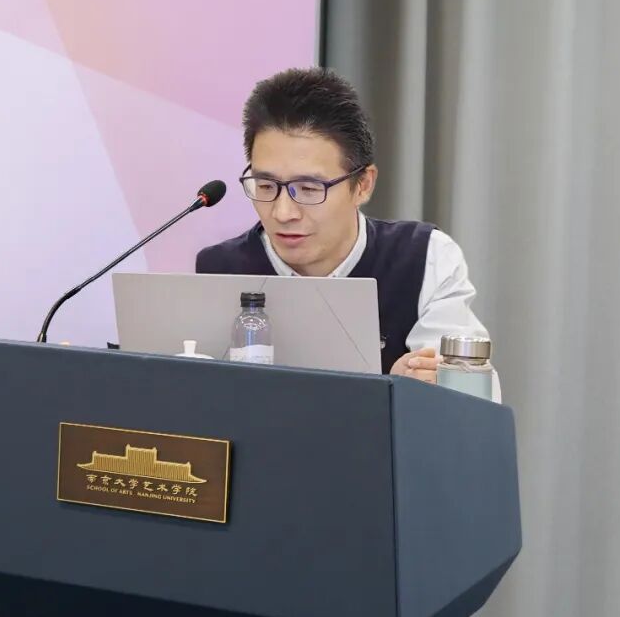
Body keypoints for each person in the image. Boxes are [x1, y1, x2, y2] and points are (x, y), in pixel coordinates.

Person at [196, 67, 497, 395]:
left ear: (363, 184)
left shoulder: (424, 258)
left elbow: (473, 396)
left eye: (309, 189)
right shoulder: (219, 271)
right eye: (266, 185)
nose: (283, 213)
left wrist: (415, 389)